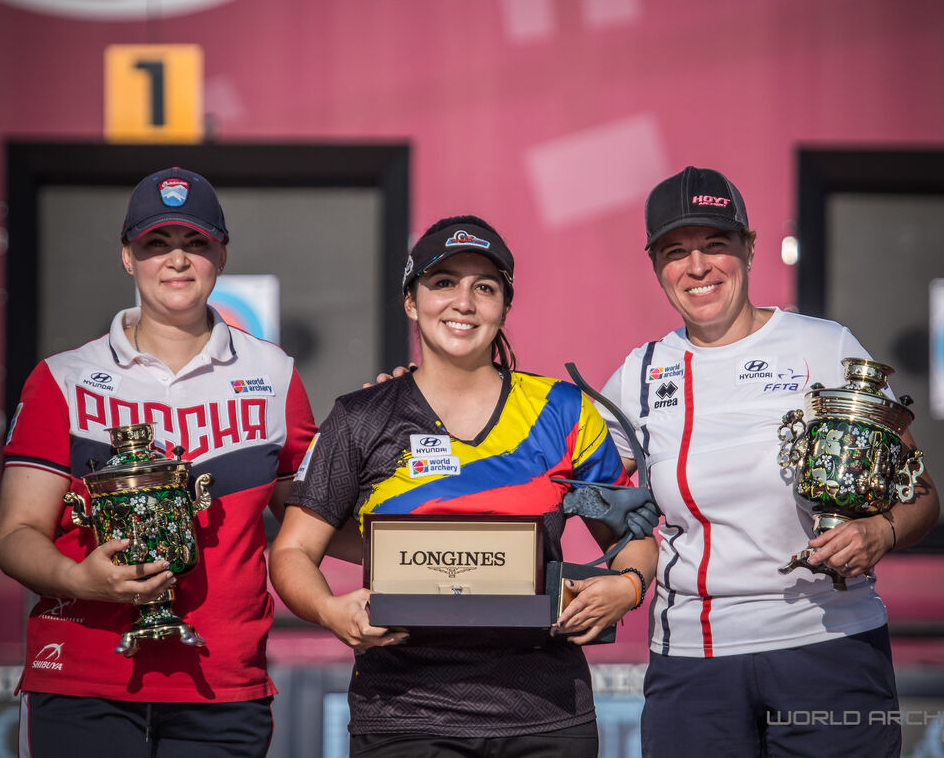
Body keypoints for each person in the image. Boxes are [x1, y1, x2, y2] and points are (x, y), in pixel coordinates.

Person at [268, 216, 659, 758]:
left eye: (485, 287)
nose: (464, 302)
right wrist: (330, 610)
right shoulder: (359, 418)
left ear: (504, 306)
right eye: (443, 282)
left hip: (546, 716)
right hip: (403, 717)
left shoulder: (563, 411)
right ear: (411, 301)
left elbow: (630, 538)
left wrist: (629, 586)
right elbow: (291, 551)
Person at [598, 167, 941, 758]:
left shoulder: (823, 346)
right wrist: (416, 396)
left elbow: (923, 494)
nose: (697, 267)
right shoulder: (639, 373)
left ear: (749, 248)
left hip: (829, 650)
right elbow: (569, 477)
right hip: (693, 668)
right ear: (656, 265)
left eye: (716, 245)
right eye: (676, 252)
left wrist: (879, 531)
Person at [0, 167, 317, 758]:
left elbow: (312, 520)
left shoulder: (274, 376)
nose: (177, 260)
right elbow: (16, 534)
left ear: (221, 254)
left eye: (196, 243)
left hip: (221, 683)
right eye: (156, 244)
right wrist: (79, 578)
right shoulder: (60, 379)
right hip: (81, 677)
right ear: (127, 256)